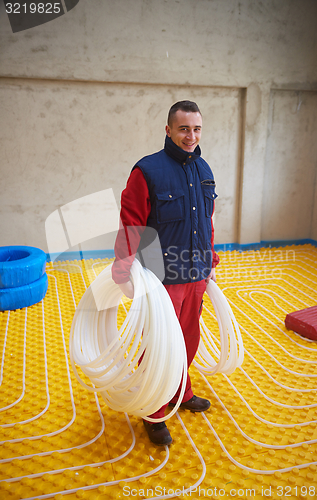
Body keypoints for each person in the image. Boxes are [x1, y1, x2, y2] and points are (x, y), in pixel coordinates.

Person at [112, 100, 219, 445]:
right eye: (184, 128)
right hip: (160, 277)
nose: (191, 136)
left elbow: (207, 220)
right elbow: (132, 223)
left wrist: (211, 260)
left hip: (196, 274)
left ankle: (181, 392)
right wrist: (124, 267)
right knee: (157, 345)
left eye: (197, 128)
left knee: (187, 340)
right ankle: (153, 409)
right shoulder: (147, 171)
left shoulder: (204, 170)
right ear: (169, 130)